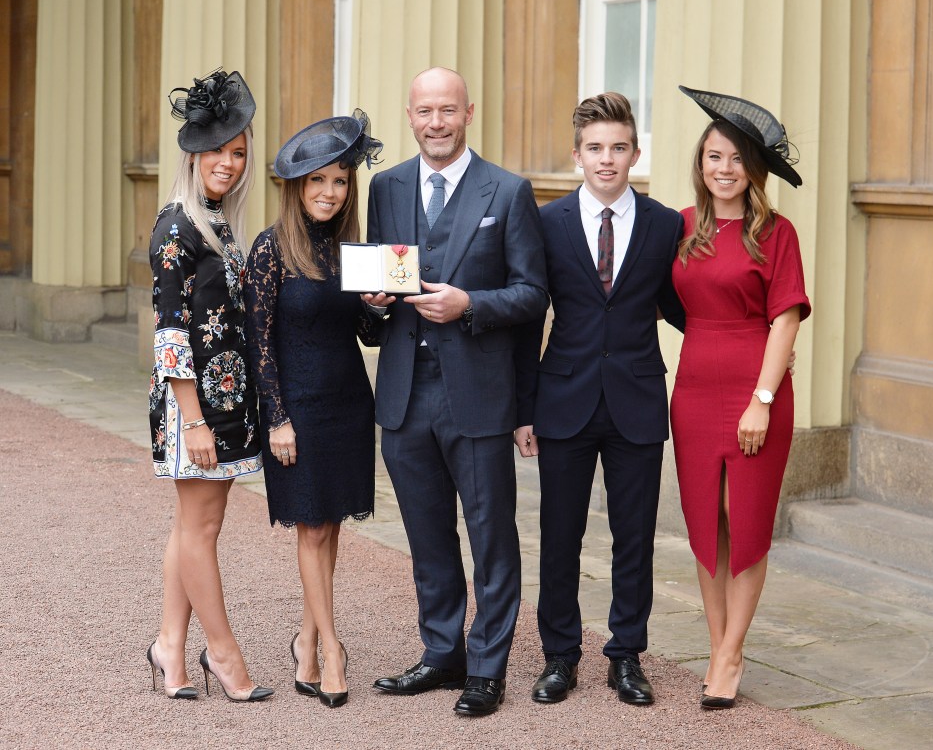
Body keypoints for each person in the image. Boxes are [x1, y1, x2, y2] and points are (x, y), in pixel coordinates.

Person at [362, 66, 549, 716]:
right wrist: (376, 303)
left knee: (491, 532)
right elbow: (372, 305)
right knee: (428, 533)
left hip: (478, 393)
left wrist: (471, 302)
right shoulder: (384, 188)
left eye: (447, 110)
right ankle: (443, 653)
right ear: (409, 116)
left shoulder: (508, 190)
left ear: (469, 112)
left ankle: (487, 663)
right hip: (405, 393)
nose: (435, 122)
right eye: (423, 111)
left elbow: (533, 295)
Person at [514, 93, 685, 707]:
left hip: (637, 399)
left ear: (636, 153)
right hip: (563, 399)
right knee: (559, 535)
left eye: (618, 148)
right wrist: (523, 408)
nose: (607, 159)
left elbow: (682, 307)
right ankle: (559, 655)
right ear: (577, 154)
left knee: (633, 537)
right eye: (595, 149)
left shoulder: (667, 225)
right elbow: (531, 315)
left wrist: (750, 335)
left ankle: (626, 655)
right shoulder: (549, 221)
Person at [672, 86, 810, 709]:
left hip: (758, 389)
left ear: (753, 169)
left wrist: (763, 395)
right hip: (695, 387)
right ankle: (718, 645)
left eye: (734, 159)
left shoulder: (777, 233)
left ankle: (730, 655)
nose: (723, 170)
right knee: (708, 523)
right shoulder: (680, 227)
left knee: (746, 522)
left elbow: (786, 319)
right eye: (712, 158)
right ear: (700, 166)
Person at [243, 111, 383, 708]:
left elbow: (365, 332)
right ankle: (332, 647)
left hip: (348, 402)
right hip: (295, 408)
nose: (330, 192)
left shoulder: (352, 250)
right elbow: (259, 342)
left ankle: (305, 639)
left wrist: (378, 305)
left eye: (341, 181)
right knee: (309, 527)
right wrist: (276, 418)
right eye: (318, 181)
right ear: (297, 186)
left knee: (330, 528)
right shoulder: (272, 248)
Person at [147, 69, 272, 702]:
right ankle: (222, 653)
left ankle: (170, 646)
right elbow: (170, 334)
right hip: (192, 405)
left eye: (239, 151)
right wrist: (193, 419)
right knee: (200, 529)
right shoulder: (176, 226)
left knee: (193, 527)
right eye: (218, 149)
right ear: (192, 152)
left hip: (221, 405)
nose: (229, 162)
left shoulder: (217, 222)